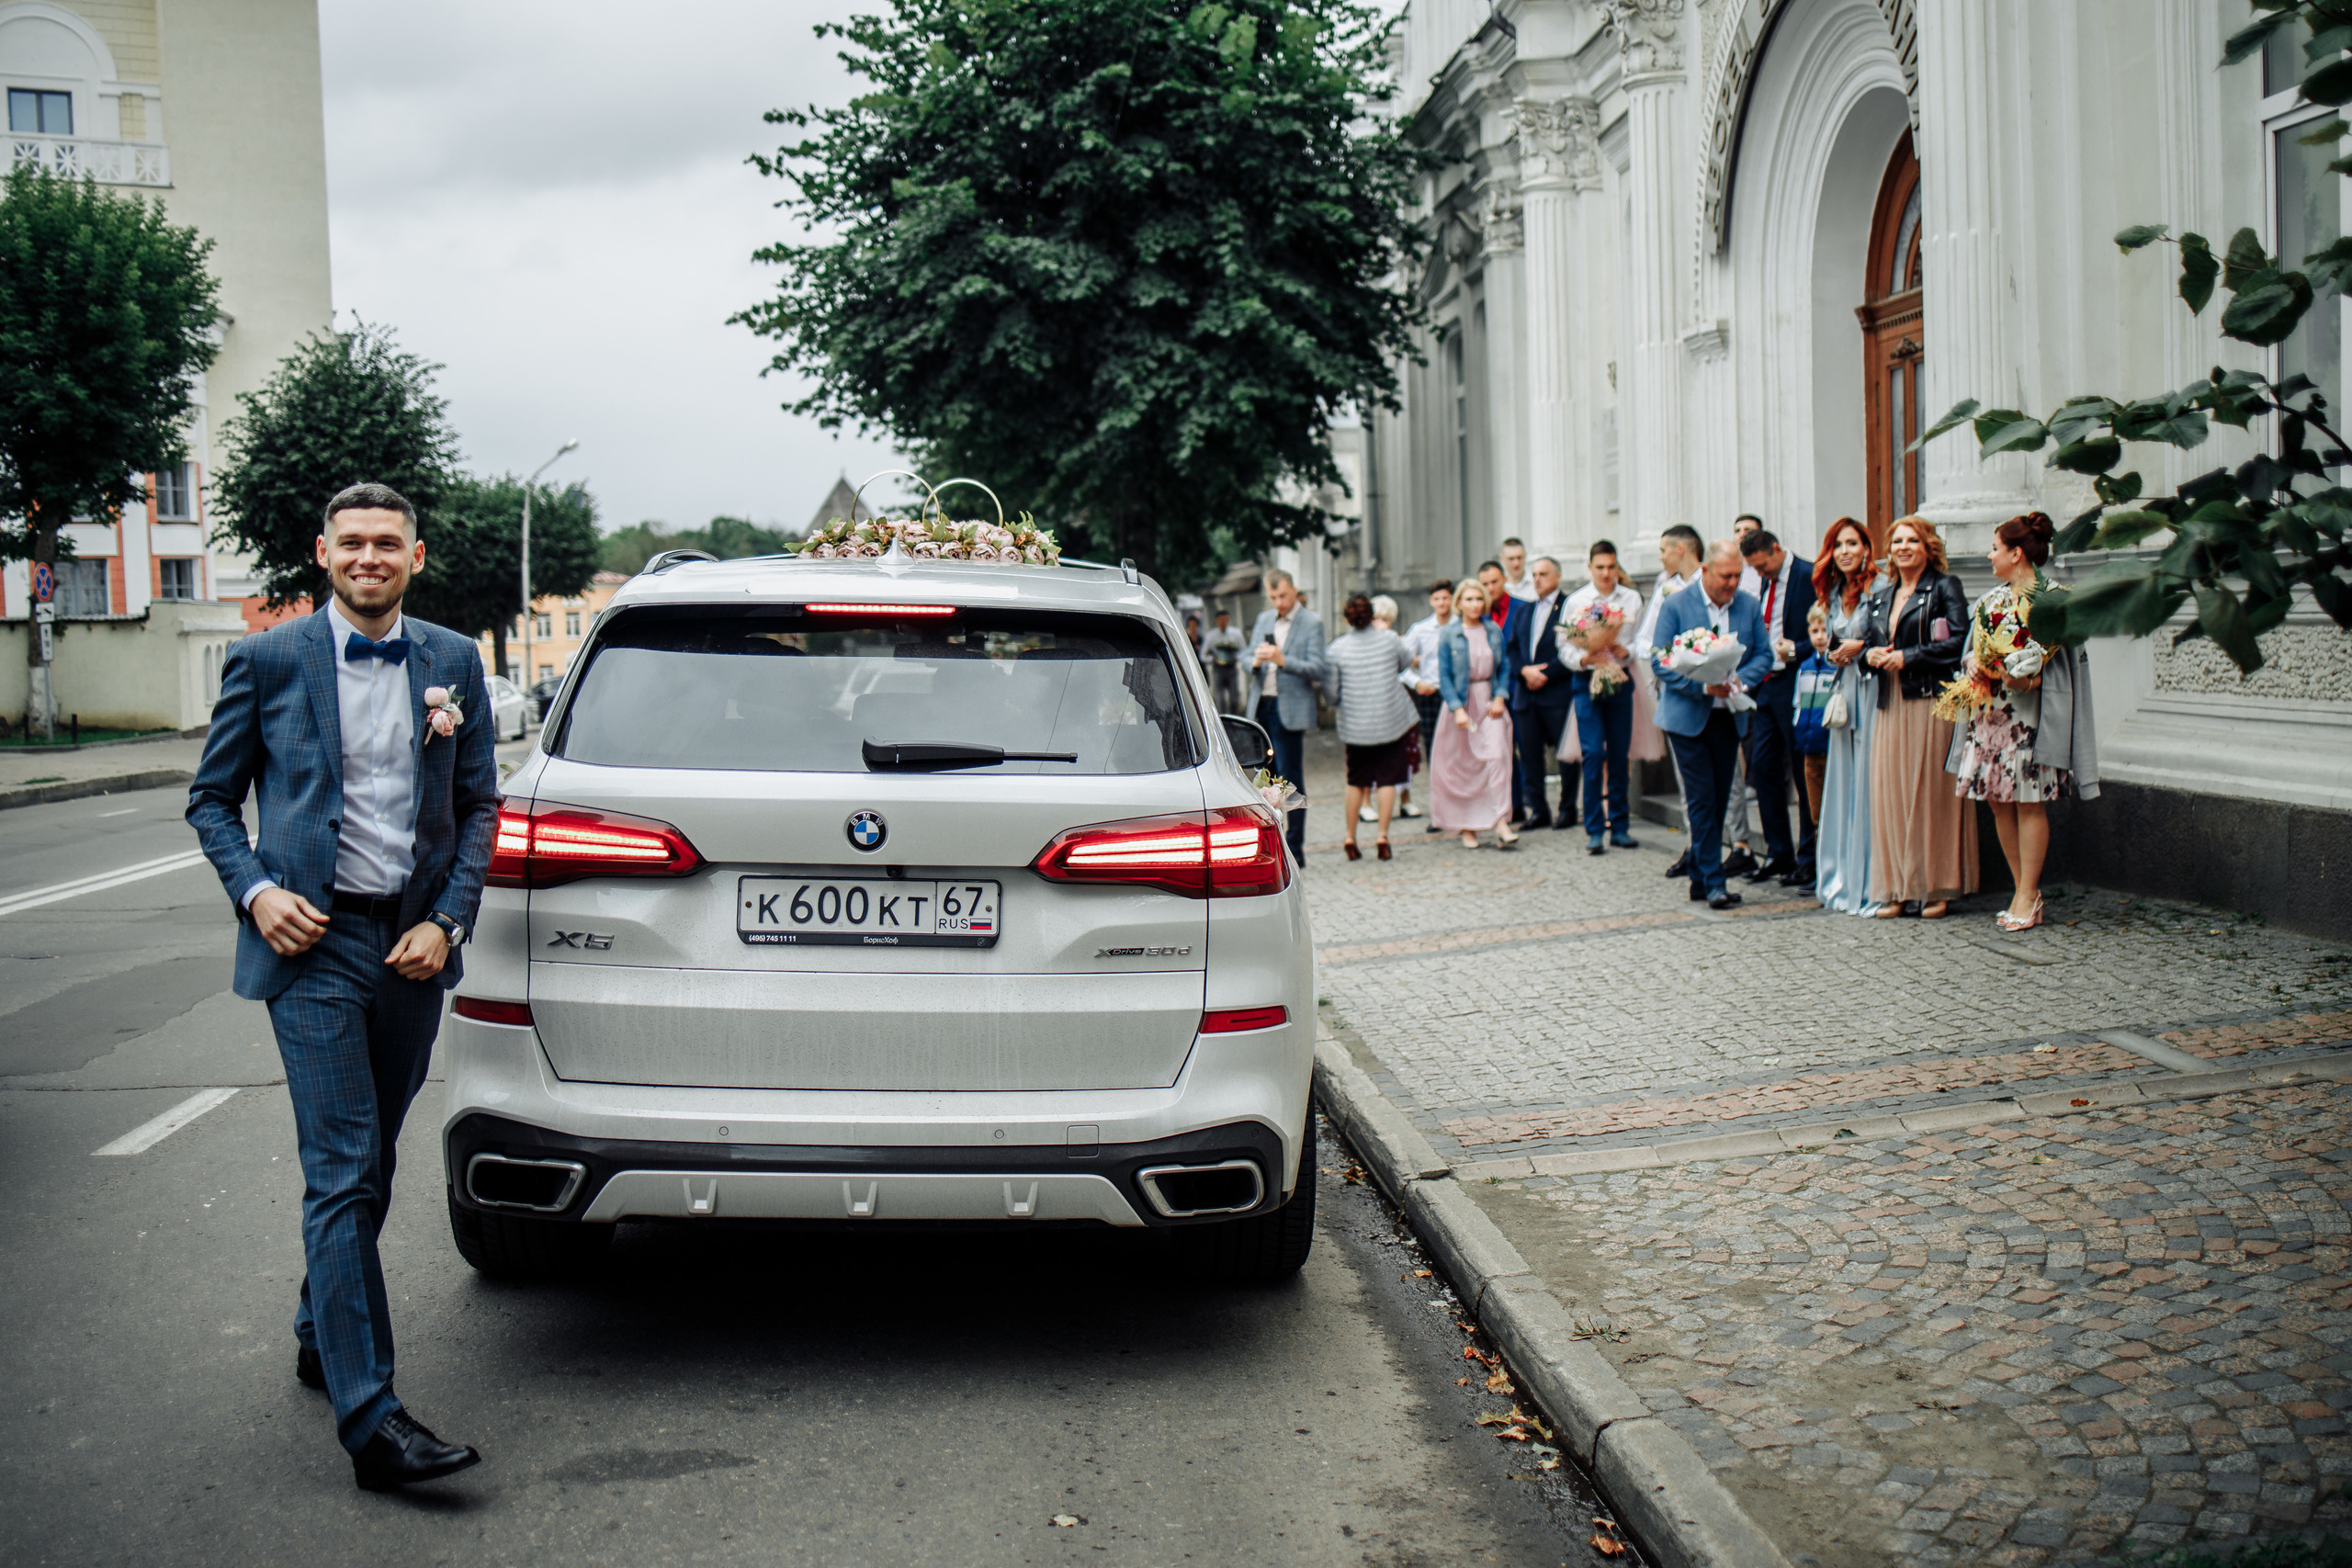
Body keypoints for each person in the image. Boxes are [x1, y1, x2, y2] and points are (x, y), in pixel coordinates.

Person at [185, 482, 496, 1491]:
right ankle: (374, 1423)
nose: (369, 556)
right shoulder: (270, 658)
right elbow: (212, 800)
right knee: (346, 1163)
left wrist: (445, 924)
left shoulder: (452, 661)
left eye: (387, 543)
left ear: (416, 556)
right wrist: (256, 893)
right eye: (351, 542)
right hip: (310, 947)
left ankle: (323, 1331)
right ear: (324, 553)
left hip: (409, 949)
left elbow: (481, 806)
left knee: (380, 1151)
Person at [1948, 511, 2102, 931]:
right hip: (1990, 717)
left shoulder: (2054, 601)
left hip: (2030, 718)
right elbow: (1970, 649)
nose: (1989, 555)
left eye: (1994, 548)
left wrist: (2022, 677)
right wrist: (1976, 666)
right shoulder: (1990, 600)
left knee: (2029, 803)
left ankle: (2027, 893)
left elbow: (2061, 670)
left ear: (2016, 553)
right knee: (1999, 802)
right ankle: (2024, 890)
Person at [1650, 539, 1773, 908]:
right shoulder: (1676, 604)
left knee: (1721, 797)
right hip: (1686, 717)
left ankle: (1701, 879)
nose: (1733, 582)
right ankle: (1713, 880)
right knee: (1702, 798)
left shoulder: (1749, 606)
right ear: (1705, 571)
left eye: (1738, 575)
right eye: (1726, 576)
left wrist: (1742, 680)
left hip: (1729, 713)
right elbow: (1660, 661)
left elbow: (1764, 654)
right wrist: (1701, 687)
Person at [1864, 516, 1974, 918]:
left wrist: (1907, 657)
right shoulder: (1883, 593)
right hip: (1890, 702)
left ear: (1929, 547)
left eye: (1913, 540)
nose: (1903, 547)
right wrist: (1869, 656)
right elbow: (1868, 641)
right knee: (1891, 795)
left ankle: (1935, 886)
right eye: (1897, 541)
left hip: (1930, 701)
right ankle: (1898, 888)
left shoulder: (1946, 587)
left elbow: (1959, 642)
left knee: (1930, 793)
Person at [1736, 527, 1819, 890]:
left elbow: (1823, 631)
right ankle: (1777, 852)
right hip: (1765, 687)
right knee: (1763, 768)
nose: (1760, 574)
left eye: (1763, 566)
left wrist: (1797, 649)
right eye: (1753, 569)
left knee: (1803, 773)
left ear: (1776, 549)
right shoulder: (1763, 583)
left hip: (1796, 682)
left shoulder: (1808, 575)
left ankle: (1808, 857)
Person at [1812, 515, 1883, 915]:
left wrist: (1858, 646)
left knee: (1869, 779)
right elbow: (1831, 641)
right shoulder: (1833, 593)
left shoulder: (1880, 587)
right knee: (1845, 780)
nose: (1845, 552)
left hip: (1873, 690)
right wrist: (1834, 652)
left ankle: (1871, 878)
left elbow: (1887, 634)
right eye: (1838, 545)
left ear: (1866, 548)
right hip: (1846, 692)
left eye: (1852, 544)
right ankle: (1842, 876)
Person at [1560, 540, 1645, 853]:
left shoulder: (1632, 598)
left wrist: (1629, 650)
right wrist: (1584, 659)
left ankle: (1620, 826)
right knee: (1594, 753)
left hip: (1620, 680)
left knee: (1620, 754)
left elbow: (1642, 640)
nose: (1606, 573)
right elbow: (1565, 647)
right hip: (1586, 683)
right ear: (1590, 567)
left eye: (1611, 567)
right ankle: (1594, 829)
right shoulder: (1576, 600)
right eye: (1600, 567)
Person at [1634, 525, 1704, 879]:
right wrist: (1676, 656)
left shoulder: (1713, 585)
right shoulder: (1666, 589)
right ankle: (1695, 848)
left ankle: (1738, 844)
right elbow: (1645, 643)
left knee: (1728, 782)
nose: (1660, 557)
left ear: (1681, 548)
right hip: (1678, 691)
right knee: (1686, 781)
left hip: (1715, 695)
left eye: (1663, 549)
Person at [1328, 592, 1419, 860]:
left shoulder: (1336, 649)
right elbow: (1404, 663)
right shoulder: (1390, 639)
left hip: (1356, 726)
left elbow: (1332, 694)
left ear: (1346, 618)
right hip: (1391, 719)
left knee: (1356, 781)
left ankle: (1349, 837)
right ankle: (1382, 837)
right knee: (1388, 780)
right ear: (1371, 614)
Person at [1433, 578, 1520, 849]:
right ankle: (1467, 825)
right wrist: (1456, 708)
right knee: (1465, 767)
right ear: (1459, 603)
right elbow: (1444, 675)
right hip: (1461, 704)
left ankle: (1501, 821)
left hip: (1489, 703)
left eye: (1479, 598)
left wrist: (1499, 696)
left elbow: (1504, 667)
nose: (1474, 604)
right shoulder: (1450, 633)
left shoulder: (1492, 629)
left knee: (1497, 758)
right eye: (1468, 599)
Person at [1250, 570, 1327, 864]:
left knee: (1290, 779)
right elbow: (1246, 657)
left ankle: (1296, 849)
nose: (1279, 602)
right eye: (1273, 597)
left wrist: (1284, 661)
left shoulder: (1312, 622)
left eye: (1283, 595)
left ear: (1294, 590)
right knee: (1262, 779)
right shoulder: (1263, 620)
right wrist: (1255, 661)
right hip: (1262, 706)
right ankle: (1272, 845)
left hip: (1289, 708)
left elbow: (1318, 667)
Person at [1507, 555, 1579, 831]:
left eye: (1543, 574)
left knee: (1566, 754)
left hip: (1557, 693)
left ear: (1557, 576)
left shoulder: (1568, 607)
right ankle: (1538, 809)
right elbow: (1512, 648)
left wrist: (1546, 674)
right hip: (1527, 694)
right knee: (1529, 754)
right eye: (1534, 574)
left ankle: (1567, 808)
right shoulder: (1525, 611)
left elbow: (1574, 648)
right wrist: (1524, 671)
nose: (1537, 579)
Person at [1400, 581, 1454, 835]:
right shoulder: (1420, 630)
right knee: (1436, 753)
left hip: (1458, 695)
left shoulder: (1460, 626)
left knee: (1461, 752)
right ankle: (1440, 812)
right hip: (1432, 695)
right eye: (1437, 599)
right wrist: (1416, 682)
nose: (1442, 603)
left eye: (1446, 598)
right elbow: (1401, 664)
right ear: (1432, 602)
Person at [1793, 603, 1836, 824]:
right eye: (1815, 631)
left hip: (1829, 744)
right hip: (1809, 746)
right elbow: (1798, 703)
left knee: (1833, 801)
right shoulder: (1805, 667)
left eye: (1825, 630)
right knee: (1815, 808)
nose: (1820, 637)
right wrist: (1798, 728)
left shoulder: (1837, 667)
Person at [1203, 609, 1246, 715]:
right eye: (1220, 620)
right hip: (1218, 669)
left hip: (1231, 667)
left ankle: (1235, 718)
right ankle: (1222, 720)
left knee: (1234, 698)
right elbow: (1203, 655)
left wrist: (1236, 657)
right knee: (1219, 698)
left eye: (1225, 620)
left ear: (1228, 620)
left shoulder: (1235, 633)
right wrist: (1213, 659)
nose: (1223, 622)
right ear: (1217, 621)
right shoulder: (1211, 636)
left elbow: (1244, 650)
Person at [1499, 537, 1538, 602]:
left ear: (1525, 556)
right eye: (1511, 559)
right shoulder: (1498, 585)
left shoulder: (1536, 582)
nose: (1516, 563)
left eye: (1519, 558)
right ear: (1502, 559)